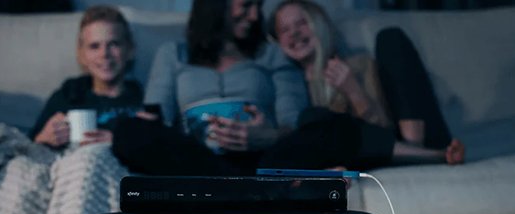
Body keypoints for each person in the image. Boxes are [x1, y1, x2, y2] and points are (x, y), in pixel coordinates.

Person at [111, 0, 309, 176]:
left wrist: (269, 137)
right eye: (246, 5)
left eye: (259, 6)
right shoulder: (173, 54)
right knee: (129, 131)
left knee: (315, 129)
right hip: (194, 160)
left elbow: (295, 125)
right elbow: (158, 119)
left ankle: (229, 185)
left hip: (259, 157)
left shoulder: (273, 54)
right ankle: (230, 184)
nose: (255, 16)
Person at [264, 0, 465, 170]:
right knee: (313, 117)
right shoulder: (289, 91)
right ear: (277, 41)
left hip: (410, 140)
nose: (294, 33)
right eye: (284, 30)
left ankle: (417, 149)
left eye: (302, 23)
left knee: (390, 38)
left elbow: (383, 129)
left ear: (319, 24)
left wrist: (353, 91)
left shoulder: (358, 66)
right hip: (365, 156)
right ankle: (423, 156)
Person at [30, 5, 144, 148]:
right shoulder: (67, 96)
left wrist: (122, 141)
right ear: (81, 55)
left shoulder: (145, 99)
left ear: (130, 50)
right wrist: (43, 138)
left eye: (114, 44)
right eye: (94, 46)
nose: (104, 54)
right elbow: (29, 147)